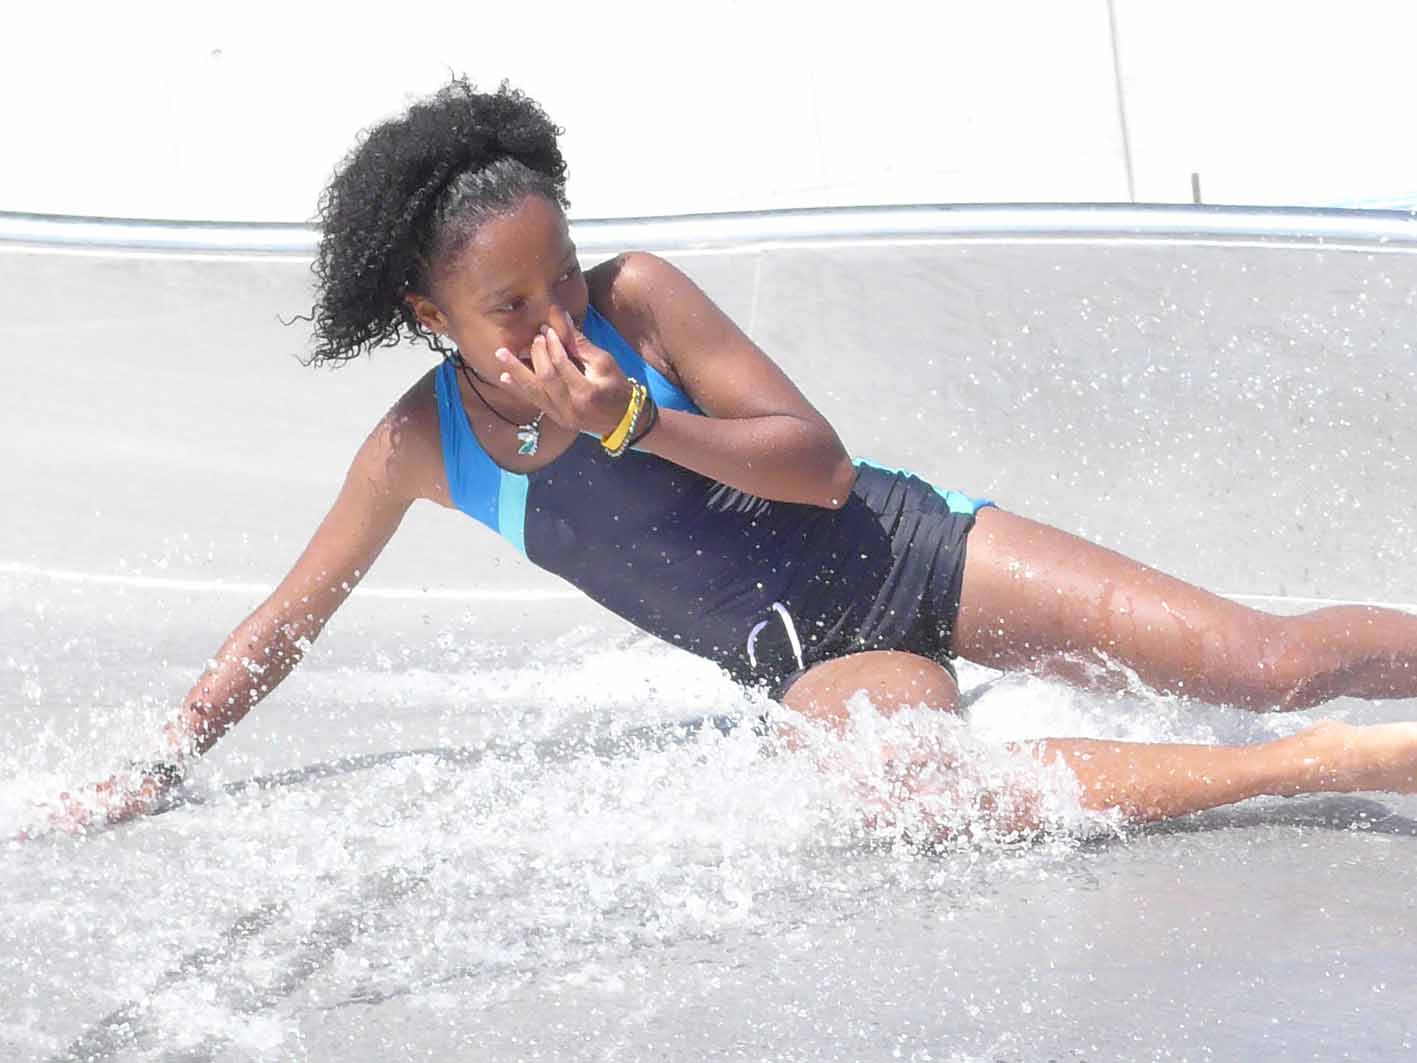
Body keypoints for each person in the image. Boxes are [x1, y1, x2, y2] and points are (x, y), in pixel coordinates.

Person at [56, 78, 1417, 836]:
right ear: (428, 315)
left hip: (914, 553)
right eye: (509, 306)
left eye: (560, 275)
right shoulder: (419, 445)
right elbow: (286, 620)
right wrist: (162, 763)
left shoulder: (642, 301)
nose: (555, 317)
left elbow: (818, 467)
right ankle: (1323, 764)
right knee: (921, 800)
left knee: (1265, 662)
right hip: (816, 662)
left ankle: (1313, 709)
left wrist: (634, 422)